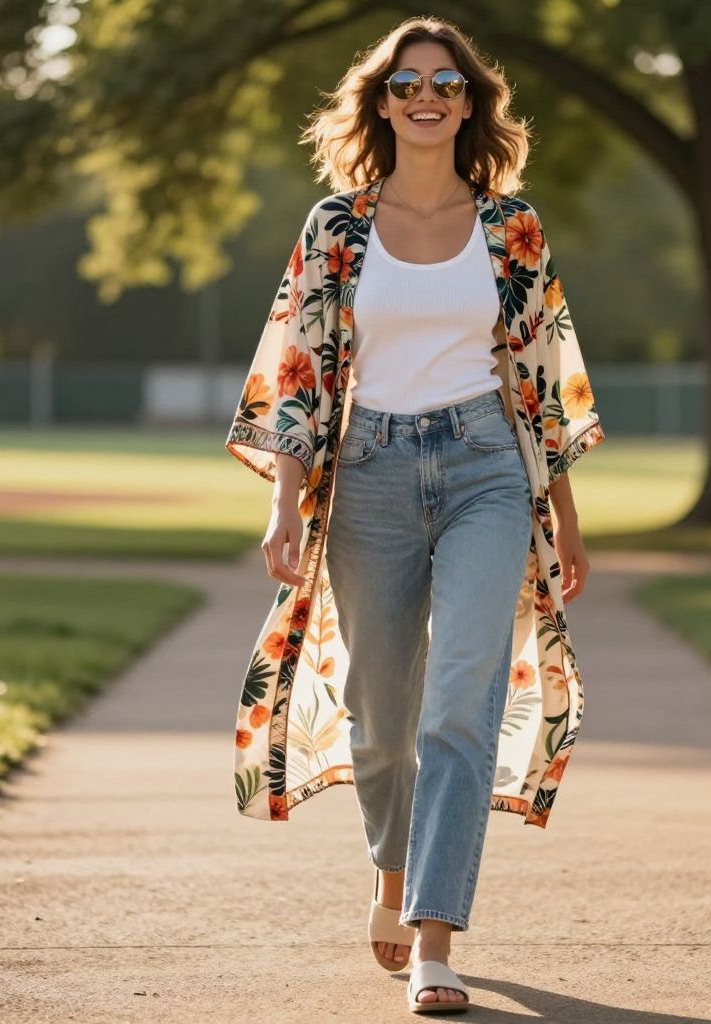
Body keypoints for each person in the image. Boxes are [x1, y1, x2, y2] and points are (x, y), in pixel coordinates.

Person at [227, 15, 604, 1017]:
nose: (425, 97)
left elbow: (539, 375)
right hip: (369, 478)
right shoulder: (334, 226)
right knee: (382, 719)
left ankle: (436, 936)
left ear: (471, 102)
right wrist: (282, 505)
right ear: (381, 103)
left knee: (457, 703)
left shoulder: (509, 226)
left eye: (445, 83)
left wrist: (562, 510)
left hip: (486, 465)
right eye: (405, 84)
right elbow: (297, 375)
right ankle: (390, 875)